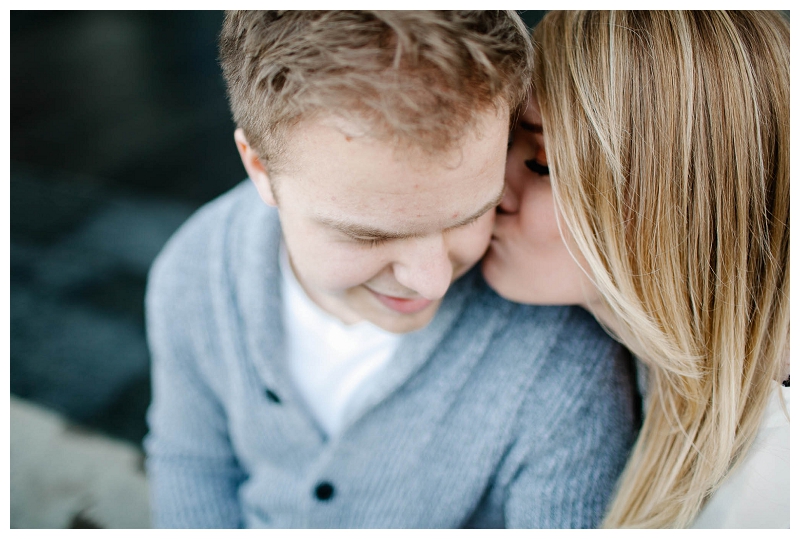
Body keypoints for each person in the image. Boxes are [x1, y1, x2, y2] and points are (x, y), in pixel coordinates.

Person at [144, 11, 641, 528]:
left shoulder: (562, 367)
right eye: (370, 235)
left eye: (471, 214)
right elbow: (192, 463)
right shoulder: (196, 272)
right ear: (260, 169)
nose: (432, 280)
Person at [482, 10, 789, 528]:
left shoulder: (771, 486)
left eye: (541, 164)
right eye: (505, 141)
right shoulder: (664, 384)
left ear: (680, 204)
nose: (488, 189)